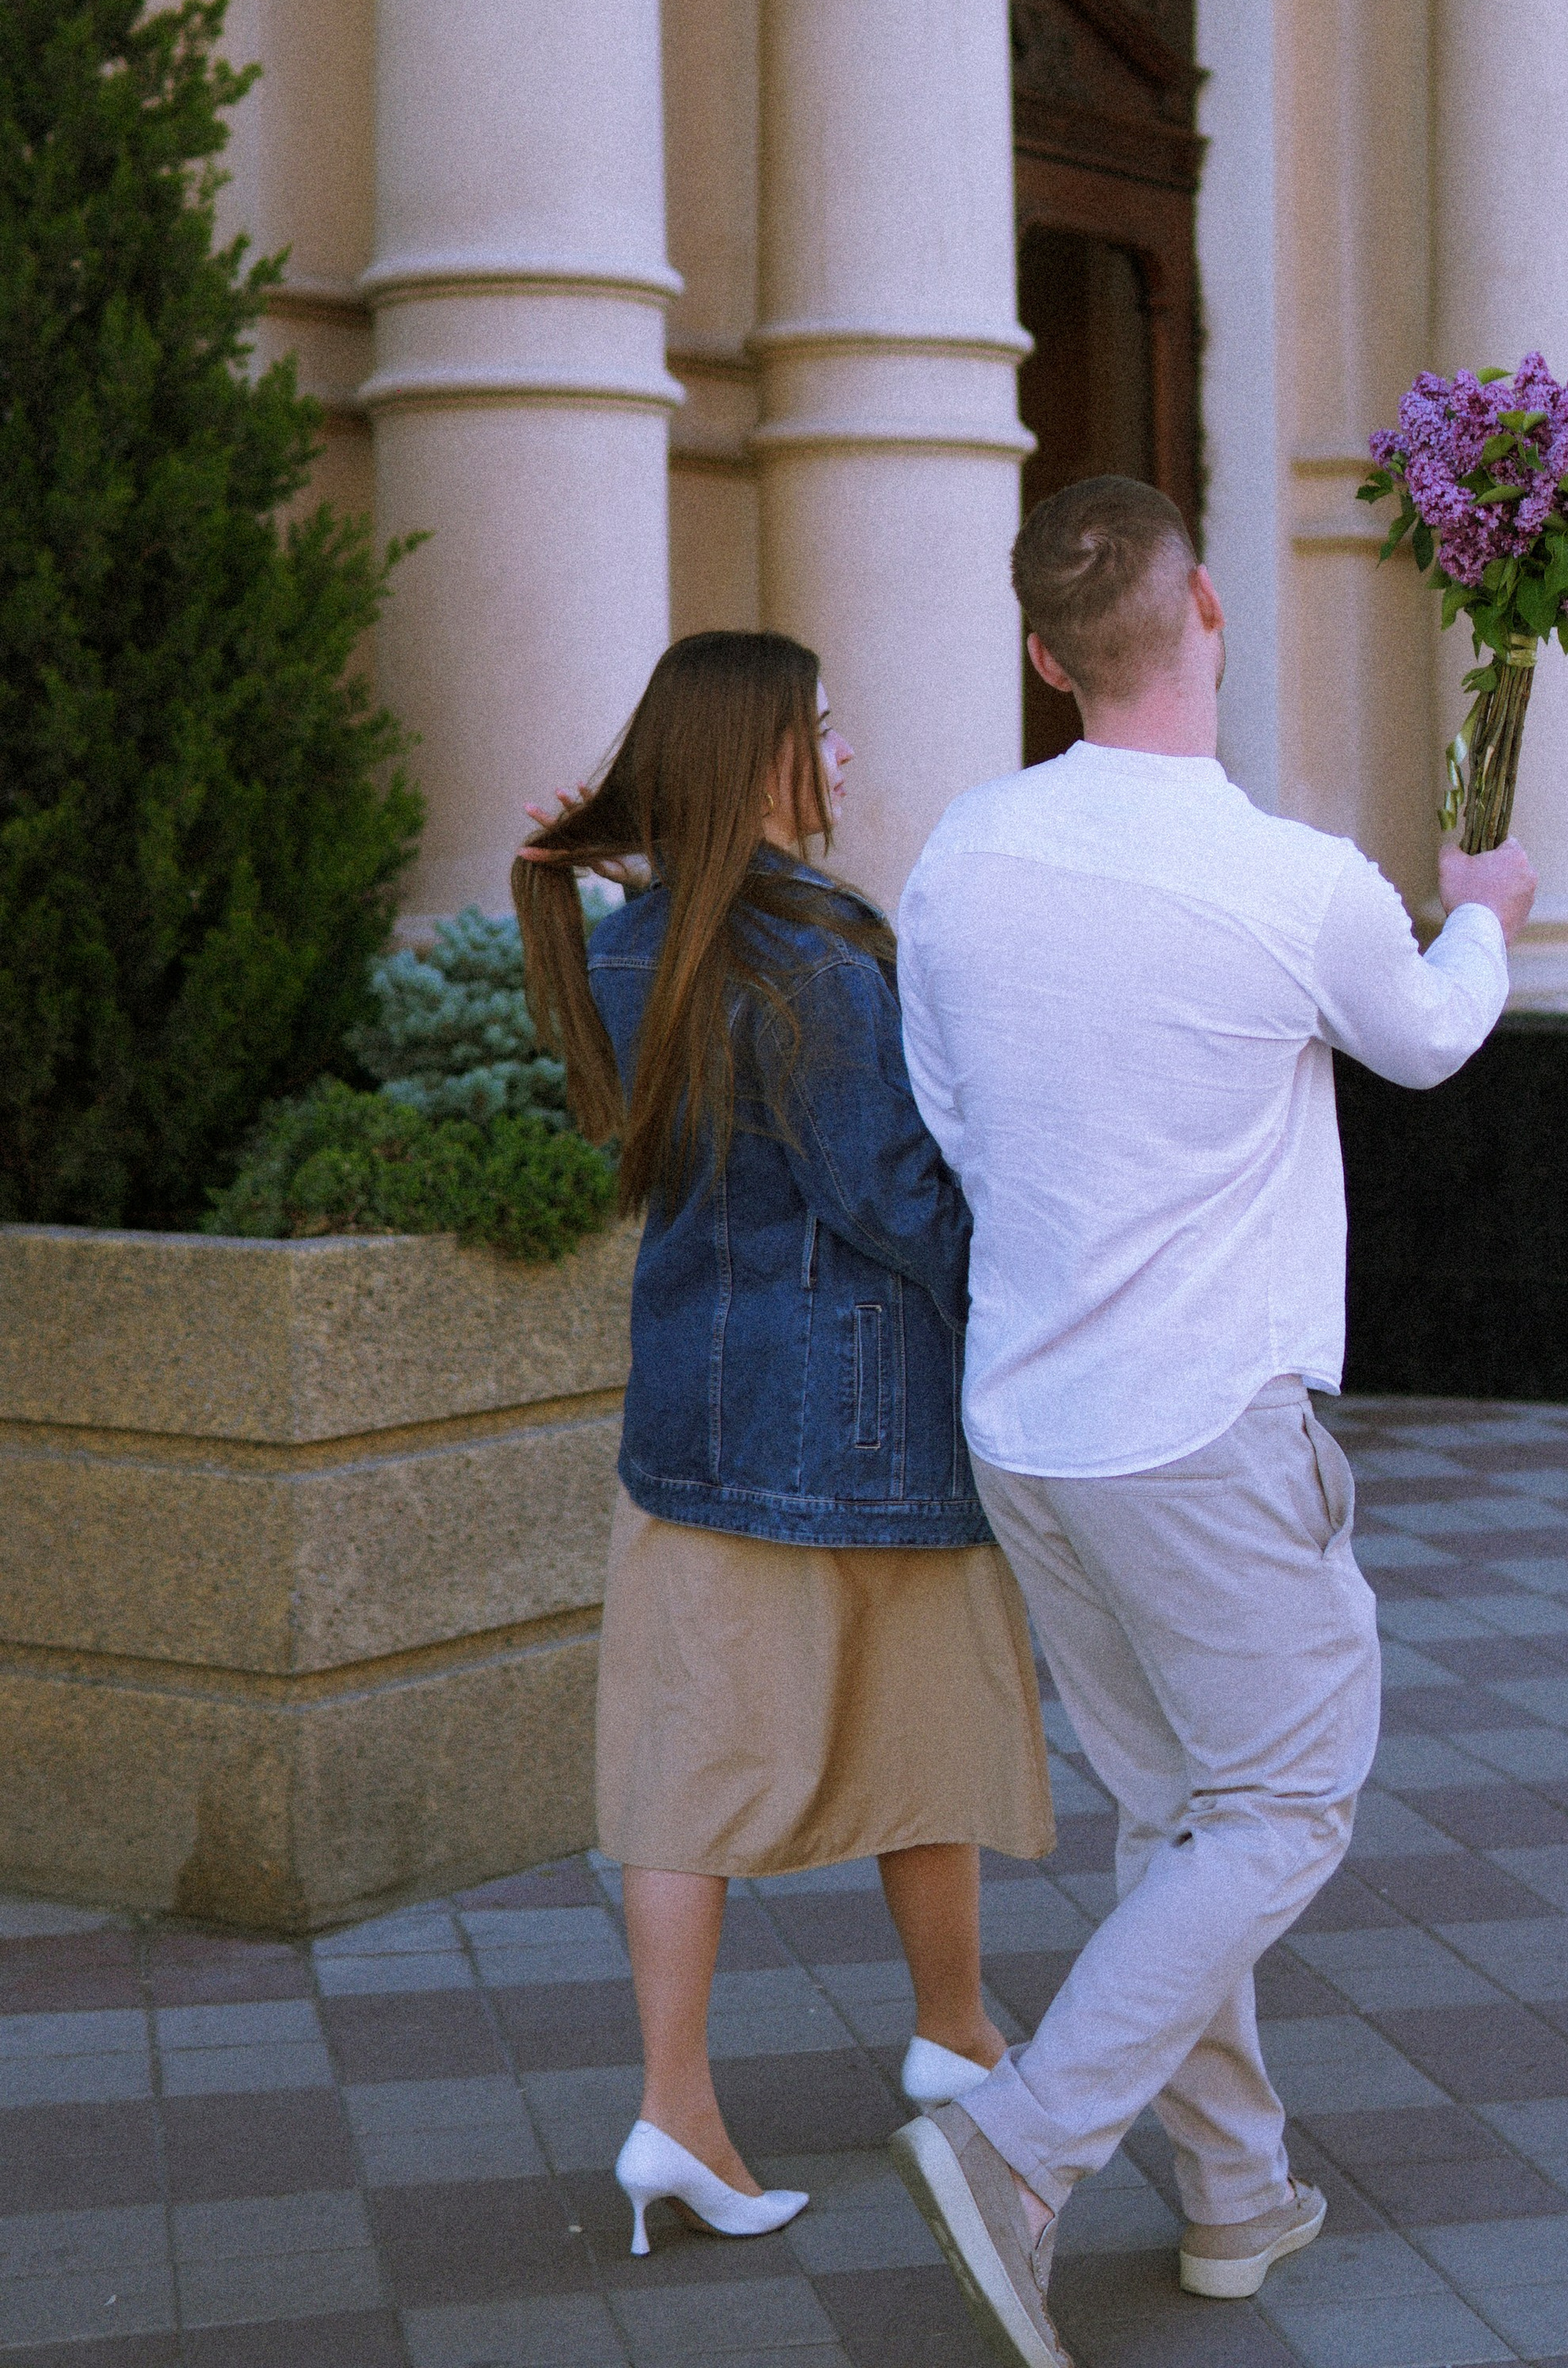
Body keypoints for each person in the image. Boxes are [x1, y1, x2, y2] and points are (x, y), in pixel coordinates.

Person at [888, 477, 1535, 2368]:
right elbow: (1424, 1034)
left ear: (1040, 656)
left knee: (1179, 1812)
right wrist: (1484, 912)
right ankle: (1019, 2147)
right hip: (1200, 1428)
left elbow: (950, 1114)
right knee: (1283, 1799)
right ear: (1214, 620)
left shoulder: (958, 857)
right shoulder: (1294, 879)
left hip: (1026, 1412)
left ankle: (1236, 2195)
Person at [514, 631, 1056, 2261]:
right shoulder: (811, 965)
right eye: (818, 731)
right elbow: (893, 1197)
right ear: (758, 757)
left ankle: (685, 2101)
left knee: (687, 1778)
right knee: (929, 1742)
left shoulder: (629, 941)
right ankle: (949, 2032)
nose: (844, 753)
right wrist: (1036, 1264)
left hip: (695, 1422)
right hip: (869, 1425)